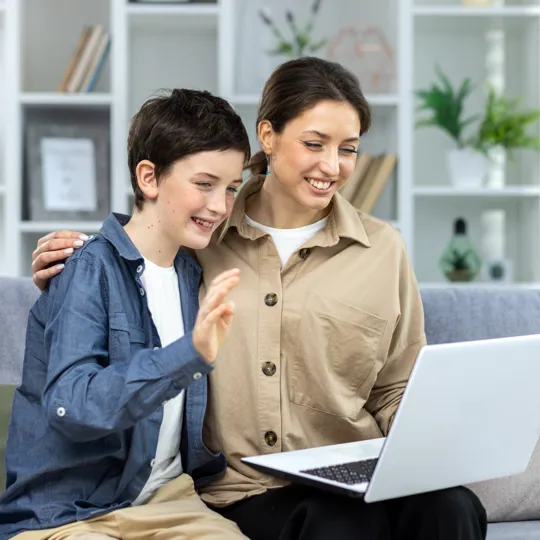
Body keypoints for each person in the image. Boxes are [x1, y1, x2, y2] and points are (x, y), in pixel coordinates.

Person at [31, 57, 487, 540]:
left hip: (359, 473)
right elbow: (151, 227)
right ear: (267, 136)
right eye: (314, 144)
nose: (332, 166)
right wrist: (78, 259)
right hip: (244, 488)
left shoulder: (383, 248)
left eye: (348, 149)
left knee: (453, 507)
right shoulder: (203, 237)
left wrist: (440, 435)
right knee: (340, 523)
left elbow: (395, 387)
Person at [0, 89, 252, 540]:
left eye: (231, 188)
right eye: (204, 184)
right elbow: (71, 404)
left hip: (167, 501)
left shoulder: (194, 274)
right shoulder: (86, 268)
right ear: (149, 178)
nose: (220, 206)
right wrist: (188, 353)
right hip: (68, 513)